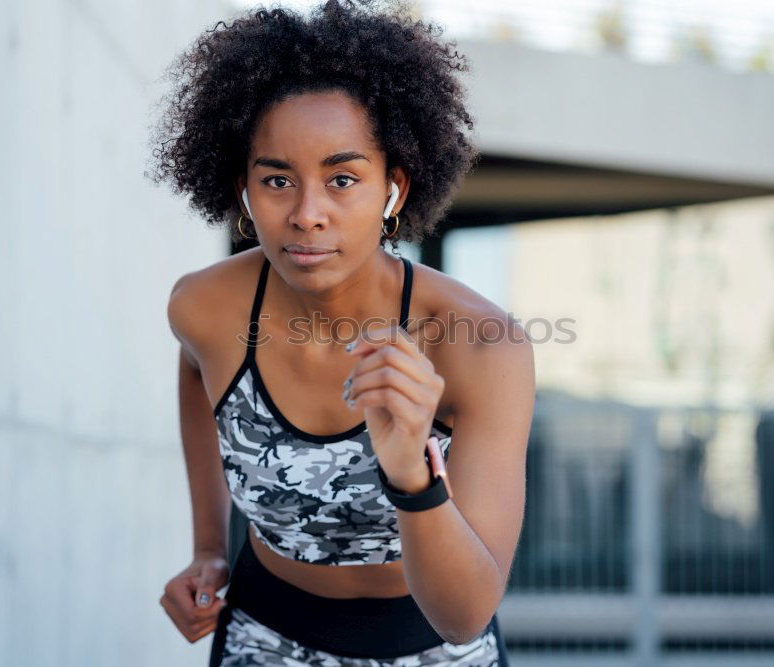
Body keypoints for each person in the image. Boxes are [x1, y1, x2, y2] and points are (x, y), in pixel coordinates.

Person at [148, 1, 535, 664]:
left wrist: (413, 474)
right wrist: (210, 546)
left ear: (393, 187)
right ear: (243, 190)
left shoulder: (480, 344)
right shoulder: (206, 308)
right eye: (276, 180)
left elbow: (467, 613)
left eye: (342, 179)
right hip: (263, 637)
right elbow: (193, 371)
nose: (306, 214)